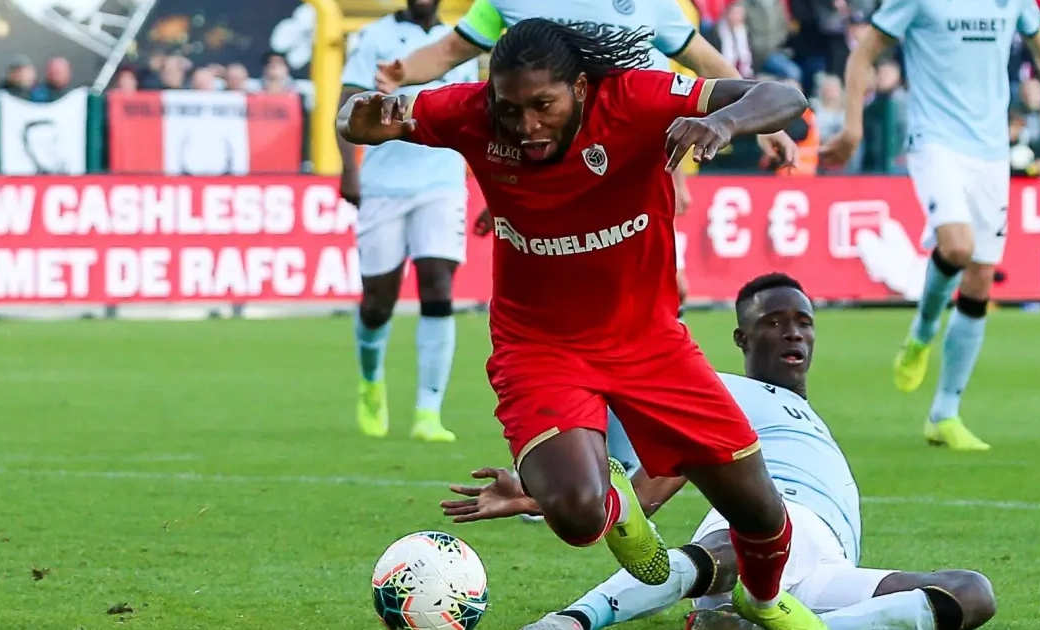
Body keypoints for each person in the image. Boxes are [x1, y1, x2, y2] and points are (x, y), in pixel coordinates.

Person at [339, 18, 818, 630]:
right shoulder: (470, 112)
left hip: (650, 343)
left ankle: (762, 600)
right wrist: (360, 116)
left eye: (544, 105)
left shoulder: (638, 99)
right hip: (538, 348)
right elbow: (357, 119)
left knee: (760, 513)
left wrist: (722, 123)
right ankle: (617, 502)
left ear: (583, 89)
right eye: (511, 109)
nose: (526, 125)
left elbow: (785, 96)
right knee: (575, 513)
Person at [440, 273, 999, 630]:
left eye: (803, 323)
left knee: (971, 594)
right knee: (742, 536)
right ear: (741, 339)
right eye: (773, 322)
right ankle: (570, 622)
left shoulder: (806, 417)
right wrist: (543, 493)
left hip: (822, 573)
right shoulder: (719, 393)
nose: (793, 334)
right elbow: (642, 487)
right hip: (746, 546)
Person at [372, 0, 799, 317]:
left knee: (663, 287)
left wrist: (760, 122)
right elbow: (450, 50)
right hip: (548, 161)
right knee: (569, 288)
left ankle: (635, 378)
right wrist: (401, 72)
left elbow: (703, 59)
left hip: (633, 161)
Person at [819, 0, 1040, 451]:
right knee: (958, 246)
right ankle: (923, 332)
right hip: (935, 140)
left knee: (980, 276)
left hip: (992, 150)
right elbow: (863, 52)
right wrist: (852, 127)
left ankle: (944, 414)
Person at [338, 0, 479, 442]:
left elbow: (475, 117)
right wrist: (349, 169)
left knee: (438, 285)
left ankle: (428, 411)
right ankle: (370, 382)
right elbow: (346, 106)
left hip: (441, 183)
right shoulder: (375, 36)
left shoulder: (458, 42)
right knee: (378, 302)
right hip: (384, 185)